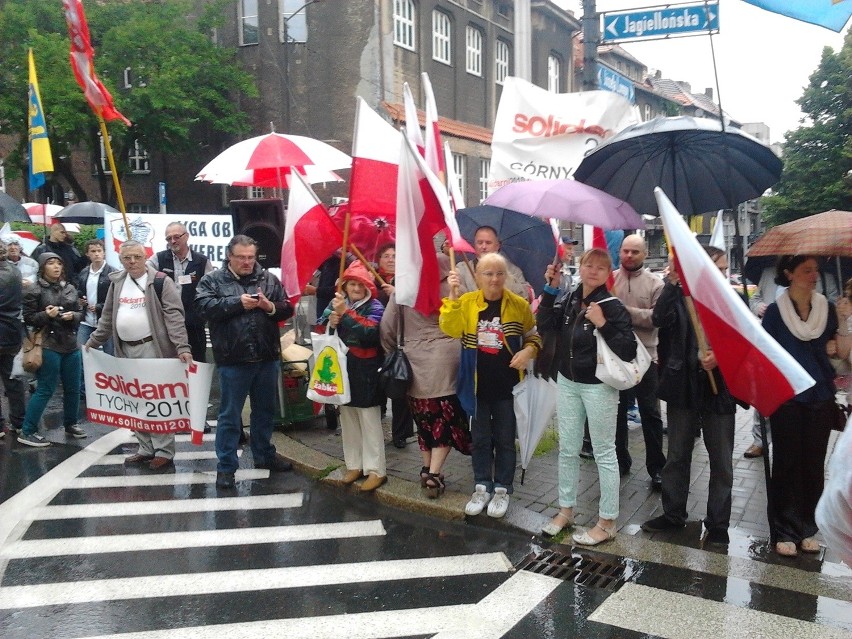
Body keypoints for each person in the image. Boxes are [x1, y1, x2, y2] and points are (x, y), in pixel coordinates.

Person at [537, 248, 636, 545]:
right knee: (567, 448)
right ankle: (565, 511)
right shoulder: (568, 298)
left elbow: (628, 349)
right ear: (580, 267)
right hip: (568, 382)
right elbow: (546, 325)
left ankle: (607, 522)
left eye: (600, 267)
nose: (593, 271)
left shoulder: (612, 306)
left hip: (598, 386)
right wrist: (550, 289)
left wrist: (602, 323)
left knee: (604, 452)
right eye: (588, 265)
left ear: (608, 273)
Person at [641, 246, 738, 545]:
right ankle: (673, 514)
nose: (722, 273)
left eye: (724, 268)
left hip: (718, 388)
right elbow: (658, 318)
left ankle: (718, 523)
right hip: (682, 384)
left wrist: (721, 357)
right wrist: (672, 281)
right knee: (678, 454)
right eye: (717, 268)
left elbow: (743, 343)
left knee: (721, 459)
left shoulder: (731, 300)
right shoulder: (679, 296)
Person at [441, 253, 541, 519]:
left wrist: (528, 352)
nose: (494, 279)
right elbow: (449, 329)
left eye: (499, 273)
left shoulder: (518, 305)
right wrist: (451, 297)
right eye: (488, 273)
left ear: (505, 276)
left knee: (506, 441)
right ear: (478, 277)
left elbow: (534, 336)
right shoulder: (466, 303)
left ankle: (503, 489)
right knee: (481, 440)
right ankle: (482, 485)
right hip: (477, 388)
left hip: (508, 388)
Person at [195, 235, 295, 490]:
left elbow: (286, 308)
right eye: (241, 257)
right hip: (233, 358)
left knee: (264, 411)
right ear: (230, 256)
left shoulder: (268, 278)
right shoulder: (212, 280)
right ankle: (226, 467)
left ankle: (264, 455)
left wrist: (269, 306)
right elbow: (204, 308)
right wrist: (237, 304)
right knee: (230, 416)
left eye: (251, 257)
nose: (247, 262)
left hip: (266, 356)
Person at [86, 240, 192, 469]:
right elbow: (108, 317)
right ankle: (146, 448)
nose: (132, 262)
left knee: (156, 400)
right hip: (125, 349)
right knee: (134, 401)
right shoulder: (117, 282)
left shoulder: (161, 282)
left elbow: (174, 317)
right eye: (127, 258)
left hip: (152, 349)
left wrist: (182, 347)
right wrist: (93, 341)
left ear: (146, 257)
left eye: (137, 257)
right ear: (121, 260)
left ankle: (164, 450)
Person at [761, 255, 839, 557]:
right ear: (789, 273)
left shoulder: (828, 309)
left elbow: (839, 351)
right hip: (787, 398)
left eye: (816, 270)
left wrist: (843, 324)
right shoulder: (775, 314)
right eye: (807, 270)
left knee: (813, 464)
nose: (814, 275)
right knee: (786, 463)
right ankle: (784, 529)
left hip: (820, 395)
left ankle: (808, 527)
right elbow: (765, 354)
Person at [381, 254, 472, 498]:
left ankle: (426, 468)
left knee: (424, 421)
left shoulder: (403, 288)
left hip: (413, 365)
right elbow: (468, 322)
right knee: (444, 421)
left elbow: (387, 328)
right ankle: (434, 474)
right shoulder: (454, 286)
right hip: (447, 365)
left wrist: (394, 352)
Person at [317, 261, 387, 492]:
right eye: (352, 284)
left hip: (366, 370)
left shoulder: (376, 306)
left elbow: (370, 333)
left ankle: (376, 470)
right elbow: (321, 326)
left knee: (369, 420)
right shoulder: (337, 303)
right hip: (342, 368)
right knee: (347, 418)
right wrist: (331, 319)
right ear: (345, 286)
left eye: (361, 284)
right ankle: (354, 465)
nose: (356, 288)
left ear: (368, 287)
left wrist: (344, 314)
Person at [612, 234, 665, 488]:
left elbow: (656, 319)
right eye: (625, 251)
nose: (629, 256)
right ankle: (620, 461)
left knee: (651, 414)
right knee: (617, 413)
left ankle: (657, 469)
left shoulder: (656, 284)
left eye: (635, 251)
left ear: (644, 254)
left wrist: (624, 312)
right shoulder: (610, 280)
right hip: (616, 359)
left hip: (647, 359)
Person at [18, 253, 86, 446]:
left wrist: (72, 316)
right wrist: (47, 315)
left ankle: (71, 423)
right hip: (48, 344)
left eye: (59, 263)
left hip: (71, 343)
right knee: (45, 388)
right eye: (51, 263)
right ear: (42, 267)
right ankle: (27, 431)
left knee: (73, 388)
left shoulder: (70, 287)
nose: (56, 267)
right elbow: (29, 318)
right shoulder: (34, 290)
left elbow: (81, 313)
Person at [147, 222, 213, 362]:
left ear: (187, 236)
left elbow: (210, 290)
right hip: (166, 323)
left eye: (176, 237)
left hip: (194, 323)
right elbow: (144, 275)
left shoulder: (201, 261)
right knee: (169, 363)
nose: (172, 241)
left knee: (197, 363)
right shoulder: (158, 259)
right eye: (168, 238)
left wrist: (202, 314)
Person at [373, 242, 415, 448]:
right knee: (379, 385)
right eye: (386, 256)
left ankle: (401, 433)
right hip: (376, 341)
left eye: (394, 256)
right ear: (379, 260)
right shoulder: (371, 280)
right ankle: (377, 424)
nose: (390, 259)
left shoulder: (407, 281)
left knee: (399, 387)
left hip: (400, 341)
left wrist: (397, 293)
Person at [458, 226, 532, 302]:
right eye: (480, 242)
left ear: (497, 246)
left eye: (488, 243)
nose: (483, 247)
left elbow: (525, 297)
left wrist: (505, 279)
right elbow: (458, 298)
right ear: (474, 245)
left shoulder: (513, 270)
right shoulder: (462, 269)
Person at [0, 242, 26, 438]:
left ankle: (1, 425)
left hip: (5, 330)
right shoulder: (14, 272)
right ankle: (19, 421)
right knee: (13, 381)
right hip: (12, 333)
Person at [76, 239, 116, 362]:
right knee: (81, 353)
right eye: (93, 251)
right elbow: (80, 291)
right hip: (86, 320)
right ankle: (84, 380)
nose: (97, 254)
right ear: (87, 254)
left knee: (110, 355)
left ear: (104, 253)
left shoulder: (112, 273)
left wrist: (99, 307)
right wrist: (81, 300)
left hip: (105, 321)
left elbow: (116, 298)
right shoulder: (84, 272)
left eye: (99, 251)